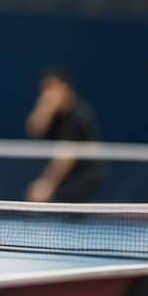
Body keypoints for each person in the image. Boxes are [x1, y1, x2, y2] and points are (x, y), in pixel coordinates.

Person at [25, 66, 102, 202]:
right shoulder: (53, 115)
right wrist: (44, 108)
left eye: (51, 88)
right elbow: (34, 130)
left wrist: (47, 183)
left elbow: (67, 153)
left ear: (65, 88)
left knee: (71, 215)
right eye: (45, 89)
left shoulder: (79, 115)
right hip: (65, 176)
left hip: (84, 176)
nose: (47, 94)